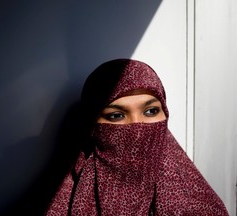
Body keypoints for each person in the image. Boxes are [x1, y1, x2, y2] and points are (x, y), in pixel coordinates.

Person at [45, 59, 229, 215]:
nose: (137, 126)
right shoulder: (61, 198)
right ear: (92, 124)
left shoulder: (196, 201)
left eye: (151, 111)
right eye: (116, 115)